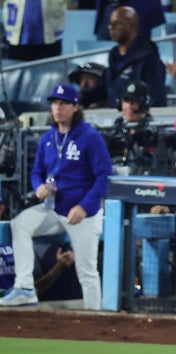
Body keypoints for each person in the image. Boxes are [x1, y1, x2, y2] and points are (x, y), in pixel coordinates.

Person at [0, 85, 112, 310]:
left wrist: (84, 206)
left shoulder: (90, 137)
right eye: (54, 103)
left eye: (63, 103)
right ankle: (24, 288)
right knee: (20, 224)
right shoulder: (48, 137)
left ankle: (95, 318)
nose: (57, 108)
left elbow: (104, 177)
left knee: (87, 271)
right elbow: (36, 172)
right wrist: (38, 186)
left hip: (82, 213)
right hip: (52, 209)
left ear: (75, 107)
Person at [82, 6, 167, 109]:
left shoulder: (149, 59)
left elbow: (156, 99)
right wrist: (81, 96)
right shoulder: (114, 55)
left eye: (117, 23)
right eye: (110, 23)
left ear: (132, 26)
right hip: (113, 118)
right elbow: (104, 89)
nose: (110, 27)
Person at [102, 80, 159, 175]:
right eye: (126, 101)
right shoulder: (118, 124)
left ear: (143, 103)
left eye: (134, 102)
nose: (129, 106)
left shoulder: (152, 129)